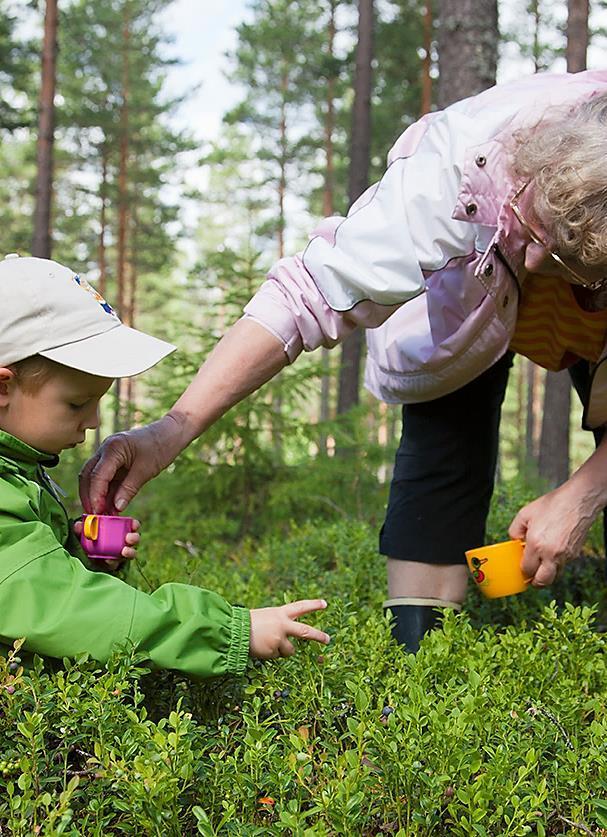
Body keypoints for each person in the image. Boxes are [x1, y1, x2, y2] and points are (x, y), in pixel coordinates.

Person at [80, 70, 607, 653]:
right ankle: (418, 664)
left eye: (556, 253)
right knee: (446, 413)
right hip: (474, 264)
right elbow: (305, 295)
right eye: (531, 228)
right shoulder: (461, 171)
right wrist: (170, 430)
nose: (533, 261)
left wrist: (583, 491)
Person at [0, 254, 330, 676]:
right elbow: (64, 606)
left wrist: (81, 558)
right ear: (4, 387)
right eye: (77, 403)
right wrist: (230, 630)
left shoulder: (18, 470)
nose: (94, 421)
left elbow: (29, 596)